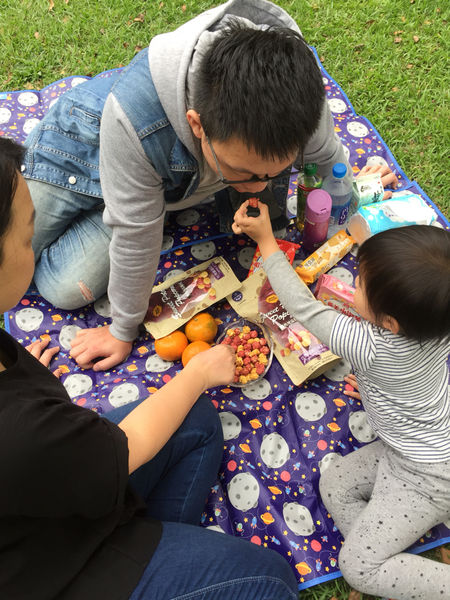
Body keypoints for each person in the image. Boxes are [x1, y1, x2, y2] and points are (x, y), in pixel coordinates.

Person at [21, 0, 397, 371]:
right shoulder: (134, 119)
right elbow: (136, 235)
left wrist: (356, 191)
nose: (258, 191)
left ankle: (133, 202)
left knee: (64, 288)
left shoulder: (299, 101)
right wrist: (123, 329)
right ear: (197, 124)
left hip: (154, 186)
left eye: (274, 173)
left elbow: (327, 156)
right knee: (11, 249)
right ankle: (129, 201)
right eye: (243, 172)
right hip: (79, 151)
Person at [0, 138, 299, 600]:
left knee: (194, 417)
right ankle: (142, 561)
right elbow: (122, 449)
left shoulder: (23, 418)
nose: (33, 245)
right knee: (271, 581)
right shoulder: (23, 434)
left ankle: (159, 552)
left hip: (48, 501)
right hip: (53, 569)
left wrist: (25, 382)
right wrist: (198, 373)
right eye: (27, 237)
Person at [232, 199, 450, 600]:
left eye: (360, 283)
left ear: (390, 323)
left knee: (357, 569)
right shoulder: (439, 318)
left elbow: (302, 306)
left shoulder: (370, 347)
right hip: (417, 446)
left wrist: (266, 242)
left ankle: (385, 560)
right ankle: (385, 537)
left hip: (429, 476)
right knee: (333, 484)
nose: (354, 283)